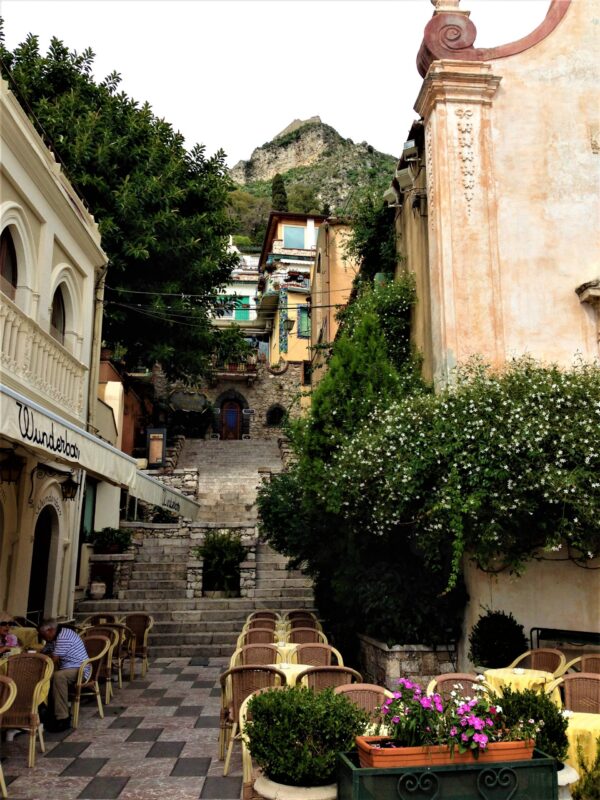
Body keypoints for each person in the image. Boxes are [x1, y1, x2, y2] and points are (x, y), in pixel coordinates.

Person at [38, 619, 91, 732]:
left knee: (58, 676)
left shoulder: (63, 636)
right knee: (45, 677)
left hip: (80, 669)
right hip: (67, 668)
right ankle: (45, 710)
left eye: (43, 635)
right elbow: (45, 650)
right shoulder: (54, 637)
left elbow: (54, 659)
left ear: (51, 630)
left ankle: (63, 718)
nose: (42, 637)